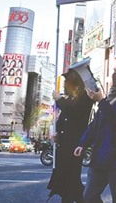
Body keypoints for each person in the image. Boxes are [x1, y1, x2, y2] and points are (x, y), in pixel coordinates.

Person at [74, 61, 116, 203]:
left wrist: (102, 101)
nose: (114, 75)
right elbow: (96, 124)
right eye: (114, 71)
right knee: (88, 197)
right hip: (99, 156)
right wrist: (82, 143)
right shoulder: (110, 97)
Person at [47, 69, 93, 203]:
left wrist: (59, 99)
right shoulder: (72, 97)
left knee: (72, 179)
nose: (65, 84)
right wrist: (57, 133)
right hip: (64, 144)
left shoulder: (84, 96)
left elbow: (73, 111)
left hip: (74, 144)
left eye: (67, 81)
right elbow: (64, 118)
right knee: (66, 180)